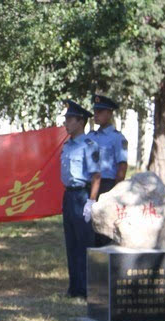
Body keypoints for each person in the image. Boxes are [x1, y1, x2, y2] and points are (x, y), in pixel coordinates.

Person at [61, 100, 101, 299]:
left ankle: (86, 288)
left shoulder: (89, 145)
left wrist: (91, 201)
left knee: (84, 242)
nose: (65, 123)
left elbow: (96, 176)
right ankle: (74, 287)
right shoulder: (67, 146)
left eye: (69, 119)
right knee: (71, 242)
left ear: (80, 122)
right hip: (69, 195)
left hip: (82, 195)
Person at [89, 94, 128, 246]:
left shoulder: (117, 138)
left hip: (107, 186)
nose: (96, 115)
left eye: (100, 112)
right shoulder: (91, 135)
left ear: (109, 113)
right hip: (91, 185)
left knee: (104, 229)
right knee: (90, 230)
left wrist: (115, 193)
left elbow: (122, 166)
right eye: (95, 111)